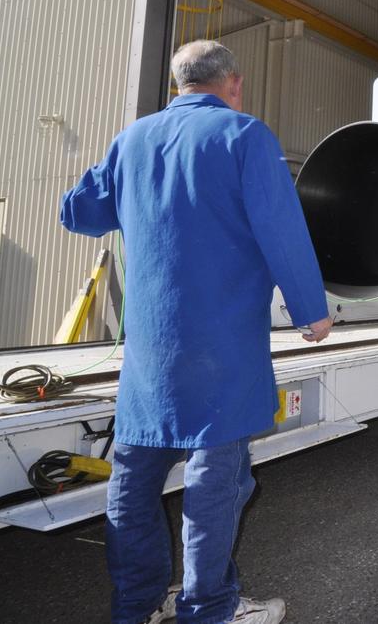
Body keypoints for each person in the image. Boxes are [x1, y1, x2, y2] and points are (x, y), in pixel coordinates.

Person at [60, 40, 332, 624]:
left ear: (178, 86)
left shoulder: (132, 138)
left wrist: (130, 161)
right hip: (223, 344)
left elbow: (77, 212)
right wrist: (312, 309)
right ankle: (208, 608)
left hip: (151, 350)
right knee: (215, 484)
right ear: (231, 83)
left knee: (133, 482)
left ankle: (136, 607)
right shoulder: (244, 135)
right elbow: (280, 230)